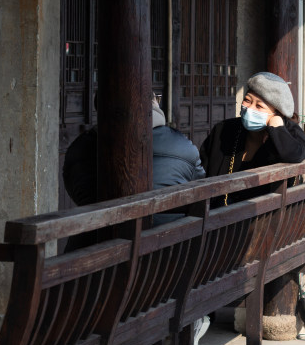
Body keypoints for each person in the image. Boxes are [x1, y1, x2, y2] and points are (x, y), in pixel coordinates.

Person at [62, 94, 206, 249]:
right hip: (167, 254)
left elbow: (76, 190)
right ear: (152, 103)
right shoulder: (182, 145)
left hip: (92, 258)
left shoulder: (81, 147)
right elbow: (199, 188)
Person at [199, 72, 305, 204]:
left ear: (277, 113)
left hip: (264, 214)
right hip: (220, 212)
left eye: (259, 106)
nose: (249, 108)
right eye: (247, 100)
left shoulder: (290, 132)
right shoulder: (224, 130)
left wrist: (276, 127)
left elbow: (294, 154)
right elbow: (201, 170)